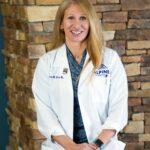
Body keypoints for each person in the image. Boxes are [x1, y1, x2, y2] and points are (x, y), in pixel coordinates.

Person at [32, 0, 128, 149]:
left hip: (102, 145)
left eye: (83, 18)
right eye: (70, 18)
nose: (77, 25)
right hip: (62, 146)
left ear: (91, 23)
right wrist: (72, 147)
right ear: (61, 24)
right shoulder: (46, 63)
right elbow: (45, 113)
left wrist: (95, 145)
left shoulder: (110, 59)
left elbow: (118, 109)